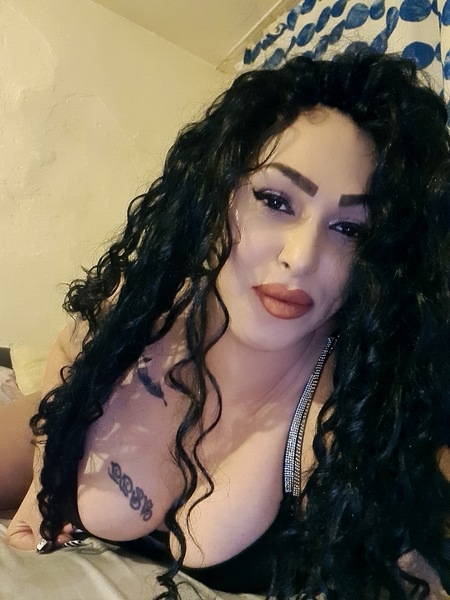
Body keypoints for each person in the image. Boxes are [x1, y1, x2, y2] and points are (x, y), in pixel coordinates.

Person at [2, 49, 450, 599]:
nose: (300, 257)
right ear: (218, 192)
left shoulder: (349, 423)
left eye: (350, 230)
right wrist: (44, 473)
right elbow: (71, 347)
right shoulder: (149, 309)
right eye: (275, 200)